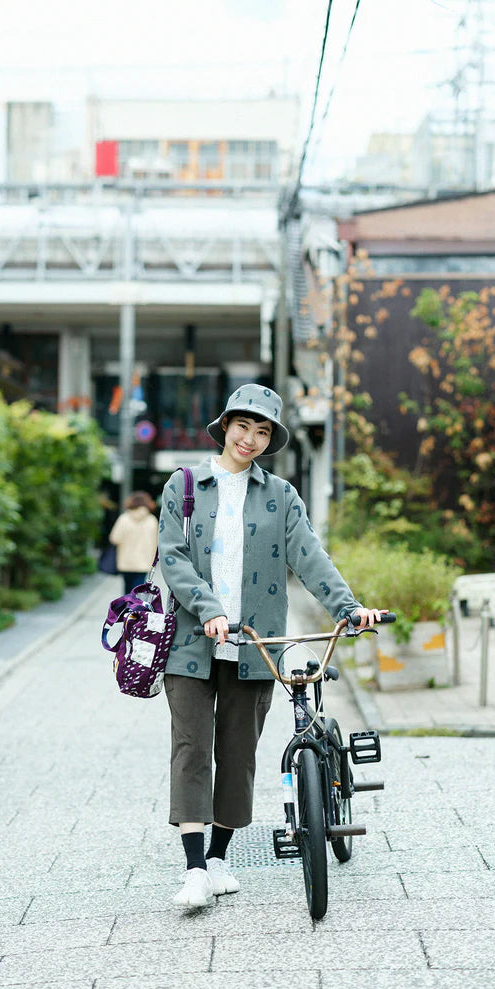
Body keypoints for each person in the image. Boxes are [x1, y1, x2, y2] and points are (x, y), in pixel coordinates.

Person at [157, 383, 385, 908]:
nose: (250, 439)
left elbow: (310, 556)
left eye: (262, 431)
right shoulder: (185, 484)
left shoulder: (280, 495)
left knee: (238, 754)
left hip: (257, 645)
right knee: (192, 749)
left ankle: (218, 858)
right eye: (244, 426)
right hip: (192, 642)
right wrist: (210, 610)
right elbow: (173, 557)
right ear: (225, 426)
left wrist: (349, 608)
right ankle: (193, 868)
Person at [109, 491, 159, 594]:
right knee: (138, 592)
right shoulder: (152, 520)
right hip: (144, 562)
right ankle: (135, 609)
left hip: (125, 562)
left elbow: (114, 538)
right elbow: (157, 543)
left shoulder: (124, 519)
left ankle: (126, 609)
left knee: (127, 591)